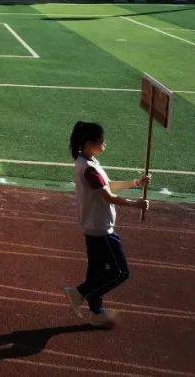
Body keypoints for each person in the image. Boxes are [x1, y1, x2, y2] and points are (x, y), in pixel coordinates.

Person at [63, 121, 150, 328]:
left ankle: (96, 313)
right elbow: (109, 196)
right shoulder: (88, 169)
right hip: (102, 230)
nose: (105, 144)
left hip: (93, 228)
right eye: (101, 141)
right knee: (121, 272)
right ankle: (80, 293)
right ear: (89, 143)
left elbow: (108, 186)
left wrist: (136, 183)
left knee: (96, 271)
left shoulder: (89, 163)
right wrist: (136, 204)